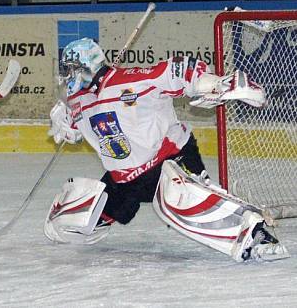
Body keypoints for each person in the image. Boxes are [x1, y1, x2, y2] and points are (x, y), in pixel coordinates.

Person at [44, 37, 289, 262]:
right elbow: (74, 131)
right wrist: (63, 122)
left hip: (169, 158)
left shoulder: (132, 80)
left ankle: (257, 235)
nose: (67, 75)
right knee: (85, 219)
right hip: (125, 178)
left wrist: (219, 84)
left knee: (186, 202)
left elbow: (179, 71)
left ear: (86, 65)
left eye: (70, 68)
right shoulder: (78, 101)